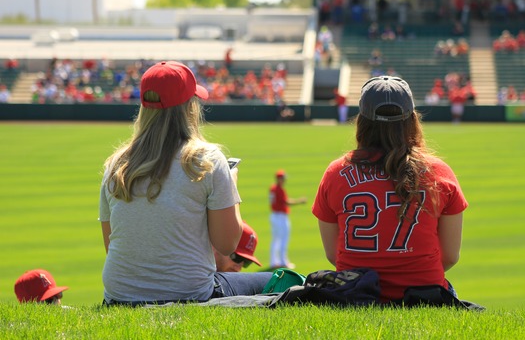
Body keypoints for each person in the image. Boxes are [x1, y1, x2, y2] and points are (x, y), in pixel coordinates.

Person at [99, 60, 272, 306]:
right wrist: (231, 186)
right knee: (280, 280)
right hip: (192, 294)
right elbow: (227, 244)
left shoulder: (115, 165)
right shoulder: (207, 160)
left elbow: (113, 244)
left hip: (119, 298)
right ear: (188, 108)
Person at [312, 76, 468, 304]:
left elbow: (333, 254)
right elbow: (451, 256)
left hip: (356, 293)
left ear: (361, 122)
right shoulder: (440, 173)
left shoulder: (335, 173)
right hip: (424, 293)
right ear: (412, 120)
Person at [269, 169, 307, 269]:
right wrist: (300, 201)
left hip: (274, 216)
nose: (284, 180)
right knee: (283, 239)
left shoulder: (273, 188)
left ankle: (273, 262)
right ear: (279, 179)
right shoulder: (279, 189)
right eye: (283, 178)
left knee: (276, 239)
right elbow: (286, 202)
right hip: (280, 217)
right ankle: (283, 262)